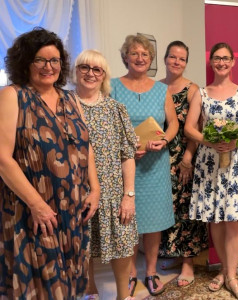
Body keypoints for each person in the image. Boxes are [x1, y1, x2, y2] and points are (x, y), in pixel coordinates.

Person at [0, 27, 100, 299]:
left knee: (67, 282)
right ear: (26, 63)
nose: (49, 67)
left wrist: (95, 188)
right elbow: (2, 159)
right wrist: (37, 205)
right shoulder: (13, 95)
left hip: (72, 208)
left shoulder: (70, 98)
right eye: (40, 60)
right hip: (32, 211)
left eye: (54, 60)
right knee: (40, 285)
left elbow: (84, 145)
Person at [184, 42, 238, 300]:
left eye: (226, 58)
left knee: (234, 219)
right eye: (217, 58)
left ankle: (232, 276)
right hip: (208, 162)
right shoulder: (201, 93)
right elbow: (189, 128)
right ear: (211, 61)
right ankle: (225, 270)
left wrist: (236, 141)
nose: (221, 62)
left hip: (236, 161)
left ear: (233, 61)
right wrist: (209, 141)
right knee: (215, 218)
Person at [110, 34, 179, 297]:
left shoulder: (162, 89)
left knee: (153, 223)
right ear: (126, 56)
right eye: (134, 53)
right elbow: (110, 127)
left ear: (151, 60)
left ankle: (150, 272)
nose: (140, 58)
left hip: (156, 165)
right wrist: (128, 150)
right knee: (127, 221)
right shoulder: (113, 87)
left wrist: (165, 139)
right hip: (126, 166)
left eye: (145, 54)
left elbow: (172, 123)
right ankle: (130, 274)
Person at [73, 50, 138, 300]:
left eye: (97, 69)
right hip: (77, 190)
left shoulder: (115, 109)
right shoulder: (62, 105)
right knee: (83, 245)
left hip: (113, 191)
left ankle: (124, 295)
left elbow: (127, 154)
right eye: (84, 67)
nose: (90, 73)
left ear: (104, 76)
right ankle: (90, 290)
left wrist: (129, 195)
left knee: (122, 244)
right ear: (75, 71)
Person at [157, 41, 208, 286]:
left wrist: (187, 159)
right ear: (165, 59)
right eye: (173, 57)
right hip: (159, 158)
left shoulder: (191, 89)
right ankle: (173, 252)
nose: (177, 62)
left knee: (186, 207)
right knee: (168, 206)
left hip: (184, 157)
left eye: (182, 59)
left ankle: (188, 263)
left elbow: (195, 127)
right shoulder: (155, 87)